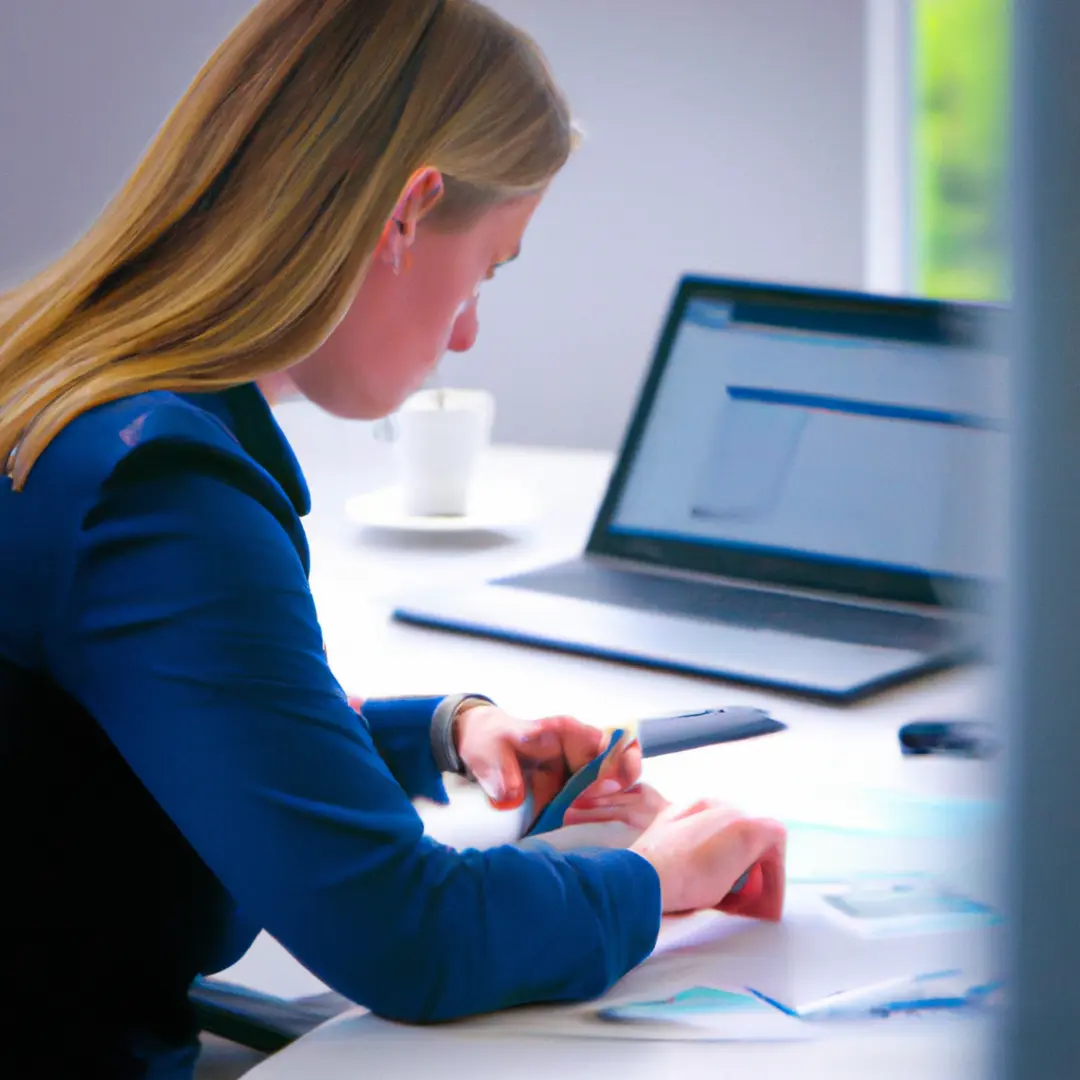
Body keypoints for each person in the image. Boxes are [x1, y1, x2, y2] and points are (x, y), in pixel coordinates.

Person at [0, 1, 787, 1077]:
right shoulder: (156, 490)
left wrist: (442, 733)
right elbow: (407, 934)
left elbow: (157, 720)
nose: (467, 331)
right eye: (490, 269)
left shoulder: (55, 384)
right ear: (408, 214)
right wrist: (657, 876)